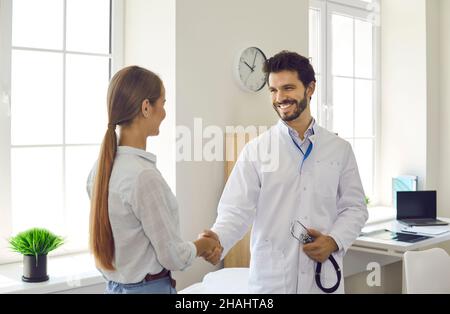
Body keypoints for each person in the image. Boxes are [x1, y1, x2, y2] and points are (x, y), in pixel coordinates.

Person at [201, 51, 368, 294]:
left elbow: (355, 208)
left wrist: (333, 241)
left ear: (310, 88)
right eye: (273, 90)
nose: (280, 98)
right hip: (272, 283)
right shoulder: (256, 151)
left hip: (320, 281)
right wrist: (217, 241)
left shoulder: (339, 150)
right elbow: (235, 211)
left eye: (288, 88)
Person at [87, 66, 220, 294]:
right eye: (163, 103)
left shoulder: (100, 168)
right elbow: (173, 257)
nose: (164, 113)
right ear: (146, 107)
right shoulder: (143, 176)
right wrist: (205, 245)